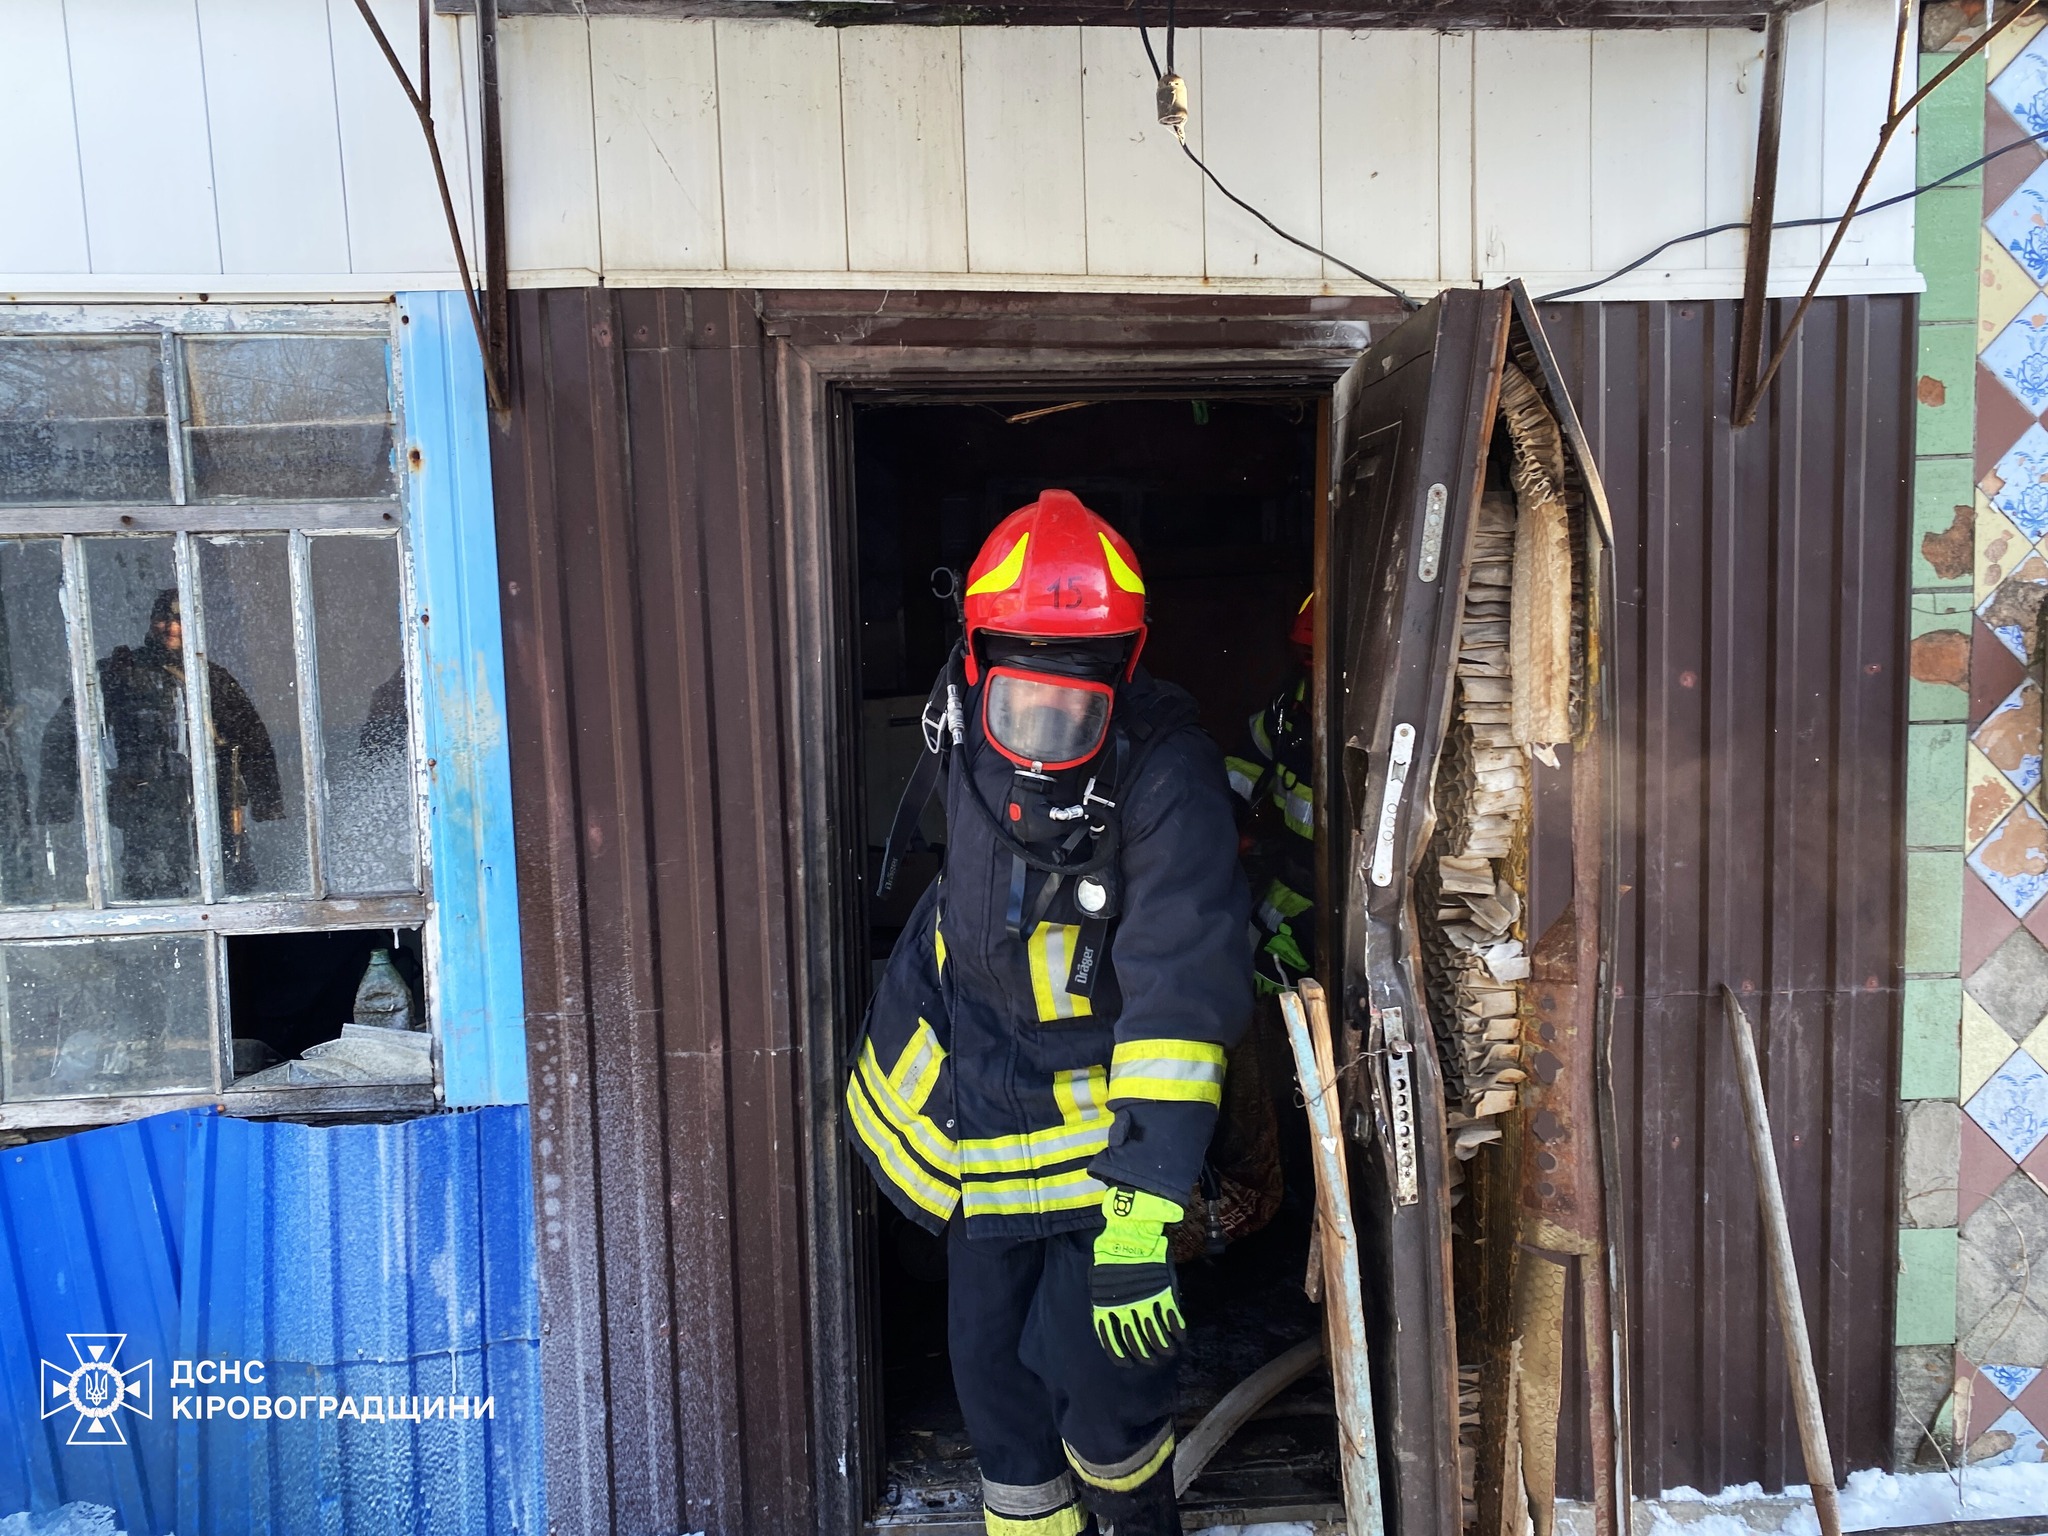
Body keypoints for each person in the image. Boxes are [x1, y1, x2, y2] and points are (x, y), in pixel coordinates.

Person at [850, 490, 1252, 1536]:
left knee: (1102, 1390)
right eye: (1018, 703)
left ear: (1122, 670)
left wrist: (1142, 1206)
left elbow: (1179, 982)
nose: (1041, 737)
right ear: (978, 658)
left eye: (1072, 711)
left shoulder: (1168, 773)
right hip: (981, 1127)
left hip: (1102, 1145)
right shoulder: (955, 712)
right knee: (993, 1390)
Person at [39, 588, 283, 899]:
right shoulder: (120, 673)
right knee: (153, 887)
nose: (171, 627)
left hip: (212, 804)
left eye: (180, 619)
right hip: (146, 805)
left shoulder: (213, 679)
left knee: (229, 881)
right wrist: (57, 802)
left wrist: (267, 802)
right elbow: (64, 733)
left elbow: (254, 740)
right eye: (162, 619)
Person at [1224, 594, 1317, 996]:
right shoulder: (1286, 709)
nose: (1309, 664)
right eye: (1304, 653)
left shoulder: (1373, 717)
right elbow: (1241, 770)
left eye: (1316, 654)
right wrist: (1223, 828)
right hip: (1286, 887)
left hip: (1337, 905)